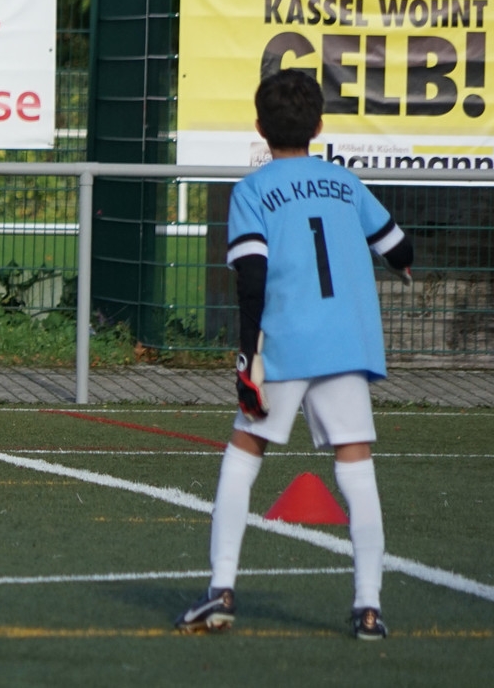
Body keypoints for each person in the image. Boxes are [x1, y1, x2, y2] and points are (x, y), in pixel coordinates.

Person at [174, 70, 413, 640]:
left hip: (285, 340)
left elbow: (252, 277)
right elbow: (398, 246)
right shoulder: (344, 181)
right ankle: (369, 608)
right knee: (356, 467)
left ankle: (221, 590)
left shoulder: (253, 190)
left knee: (244, 453)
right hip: (345, 342)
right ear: (319, 126)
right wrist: (401, 265)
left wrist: (247, 356)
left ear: (259, 127)